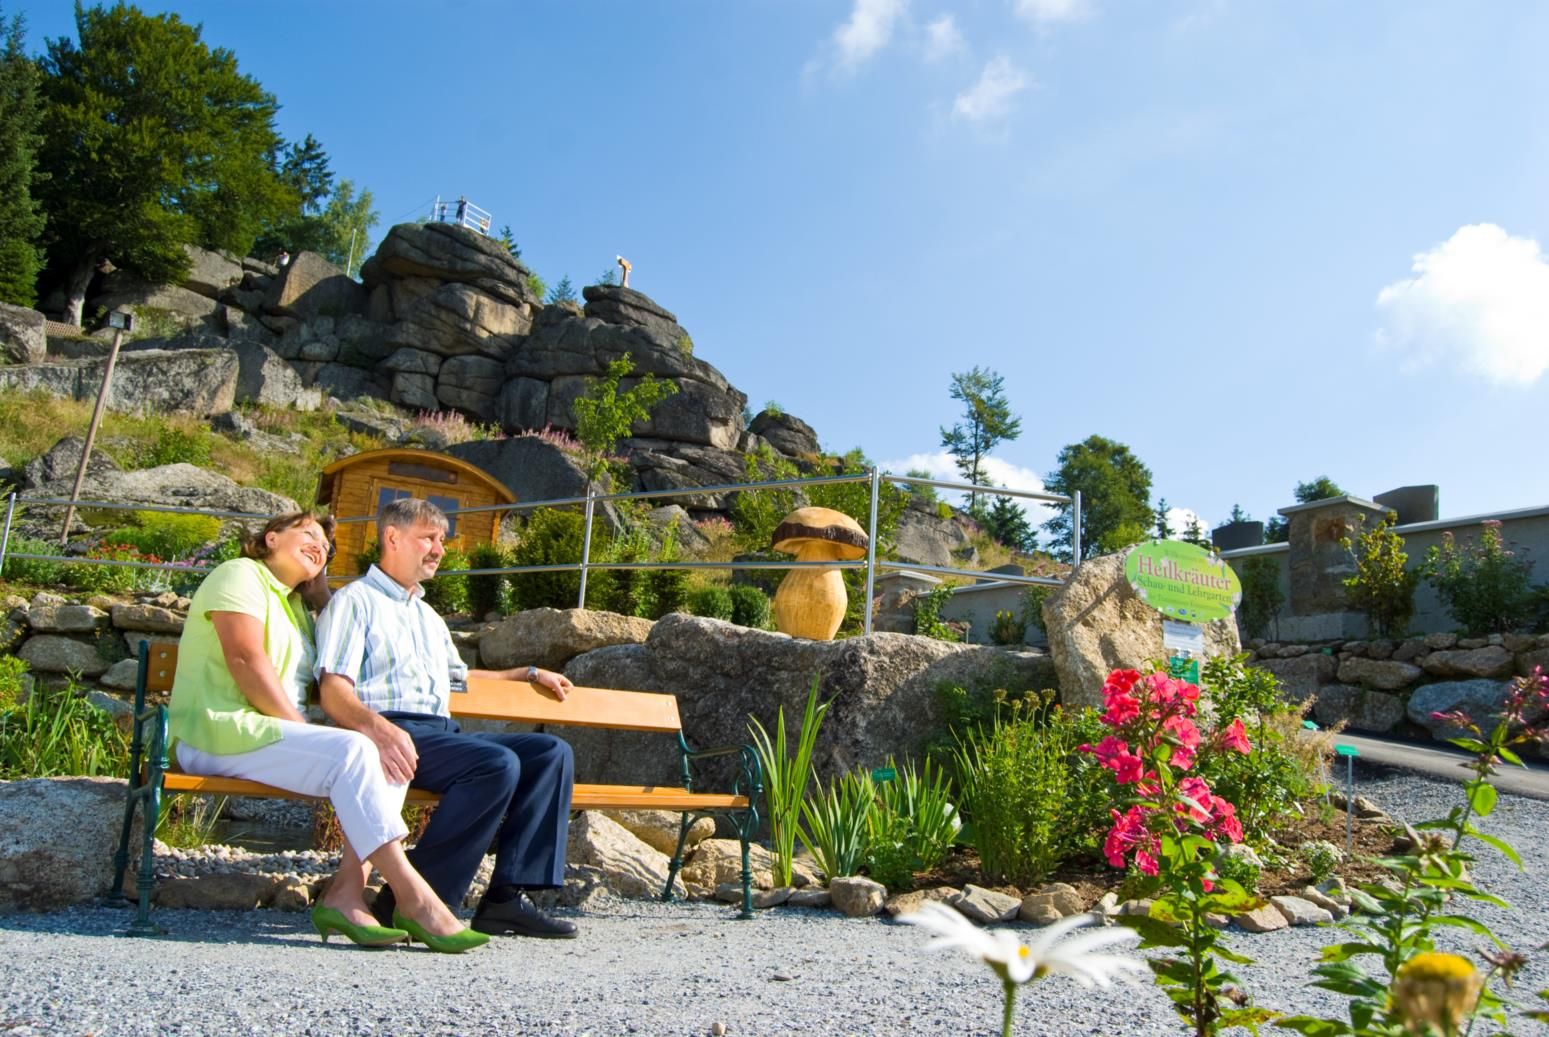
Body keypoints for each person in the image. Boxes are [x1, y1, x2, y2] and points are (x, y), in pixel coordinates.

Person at [168, 511, 487, 954]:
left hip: (259, 739)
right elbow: (244, 659)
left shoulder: (295, 606)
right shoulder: (238, 574)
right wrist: (301, 732)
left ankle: (347, 894)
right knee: (364, 746)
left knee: (383, 746)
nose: (320, 544)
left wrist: (317, 591)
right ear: (271, 537)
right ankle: (414, 897)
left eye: (326, 544)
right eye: (308, 534)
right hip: (214, 732)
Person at [314, 498, 579, 939]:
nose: (439, 549)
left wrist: (528, 673)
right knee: (494, 764)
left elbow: (461, 679)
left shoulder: (427, 616)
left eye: (442, 541)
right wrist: (380, 731)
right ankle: (414, 900)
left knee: (549, 752)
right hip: (389, 730)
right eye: (429, 538)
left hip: (438, 734)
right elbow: (333, 690)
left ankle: (505, 900)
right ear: (392, 537)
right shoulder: (355, 601)